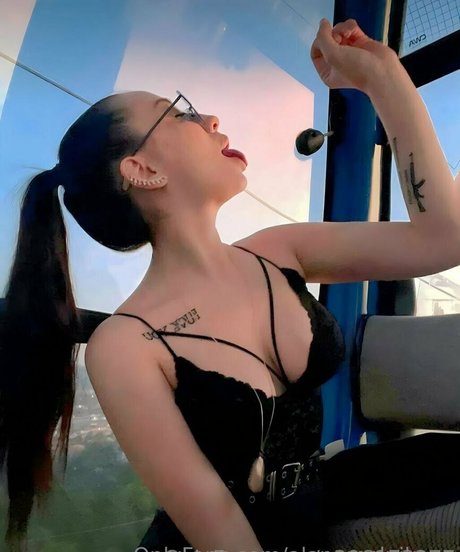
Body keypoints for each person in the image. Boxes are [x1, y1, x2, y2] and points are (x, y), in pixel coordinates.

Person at [1, 17, 459, 552]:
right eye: (179, 112)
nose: (211, 118)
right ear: (142, 169)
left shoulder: (278, 250)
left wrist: (383, 77)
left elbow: (442, 238)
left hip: (322, 500)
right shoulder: (124, 345)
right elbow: (220, 526)